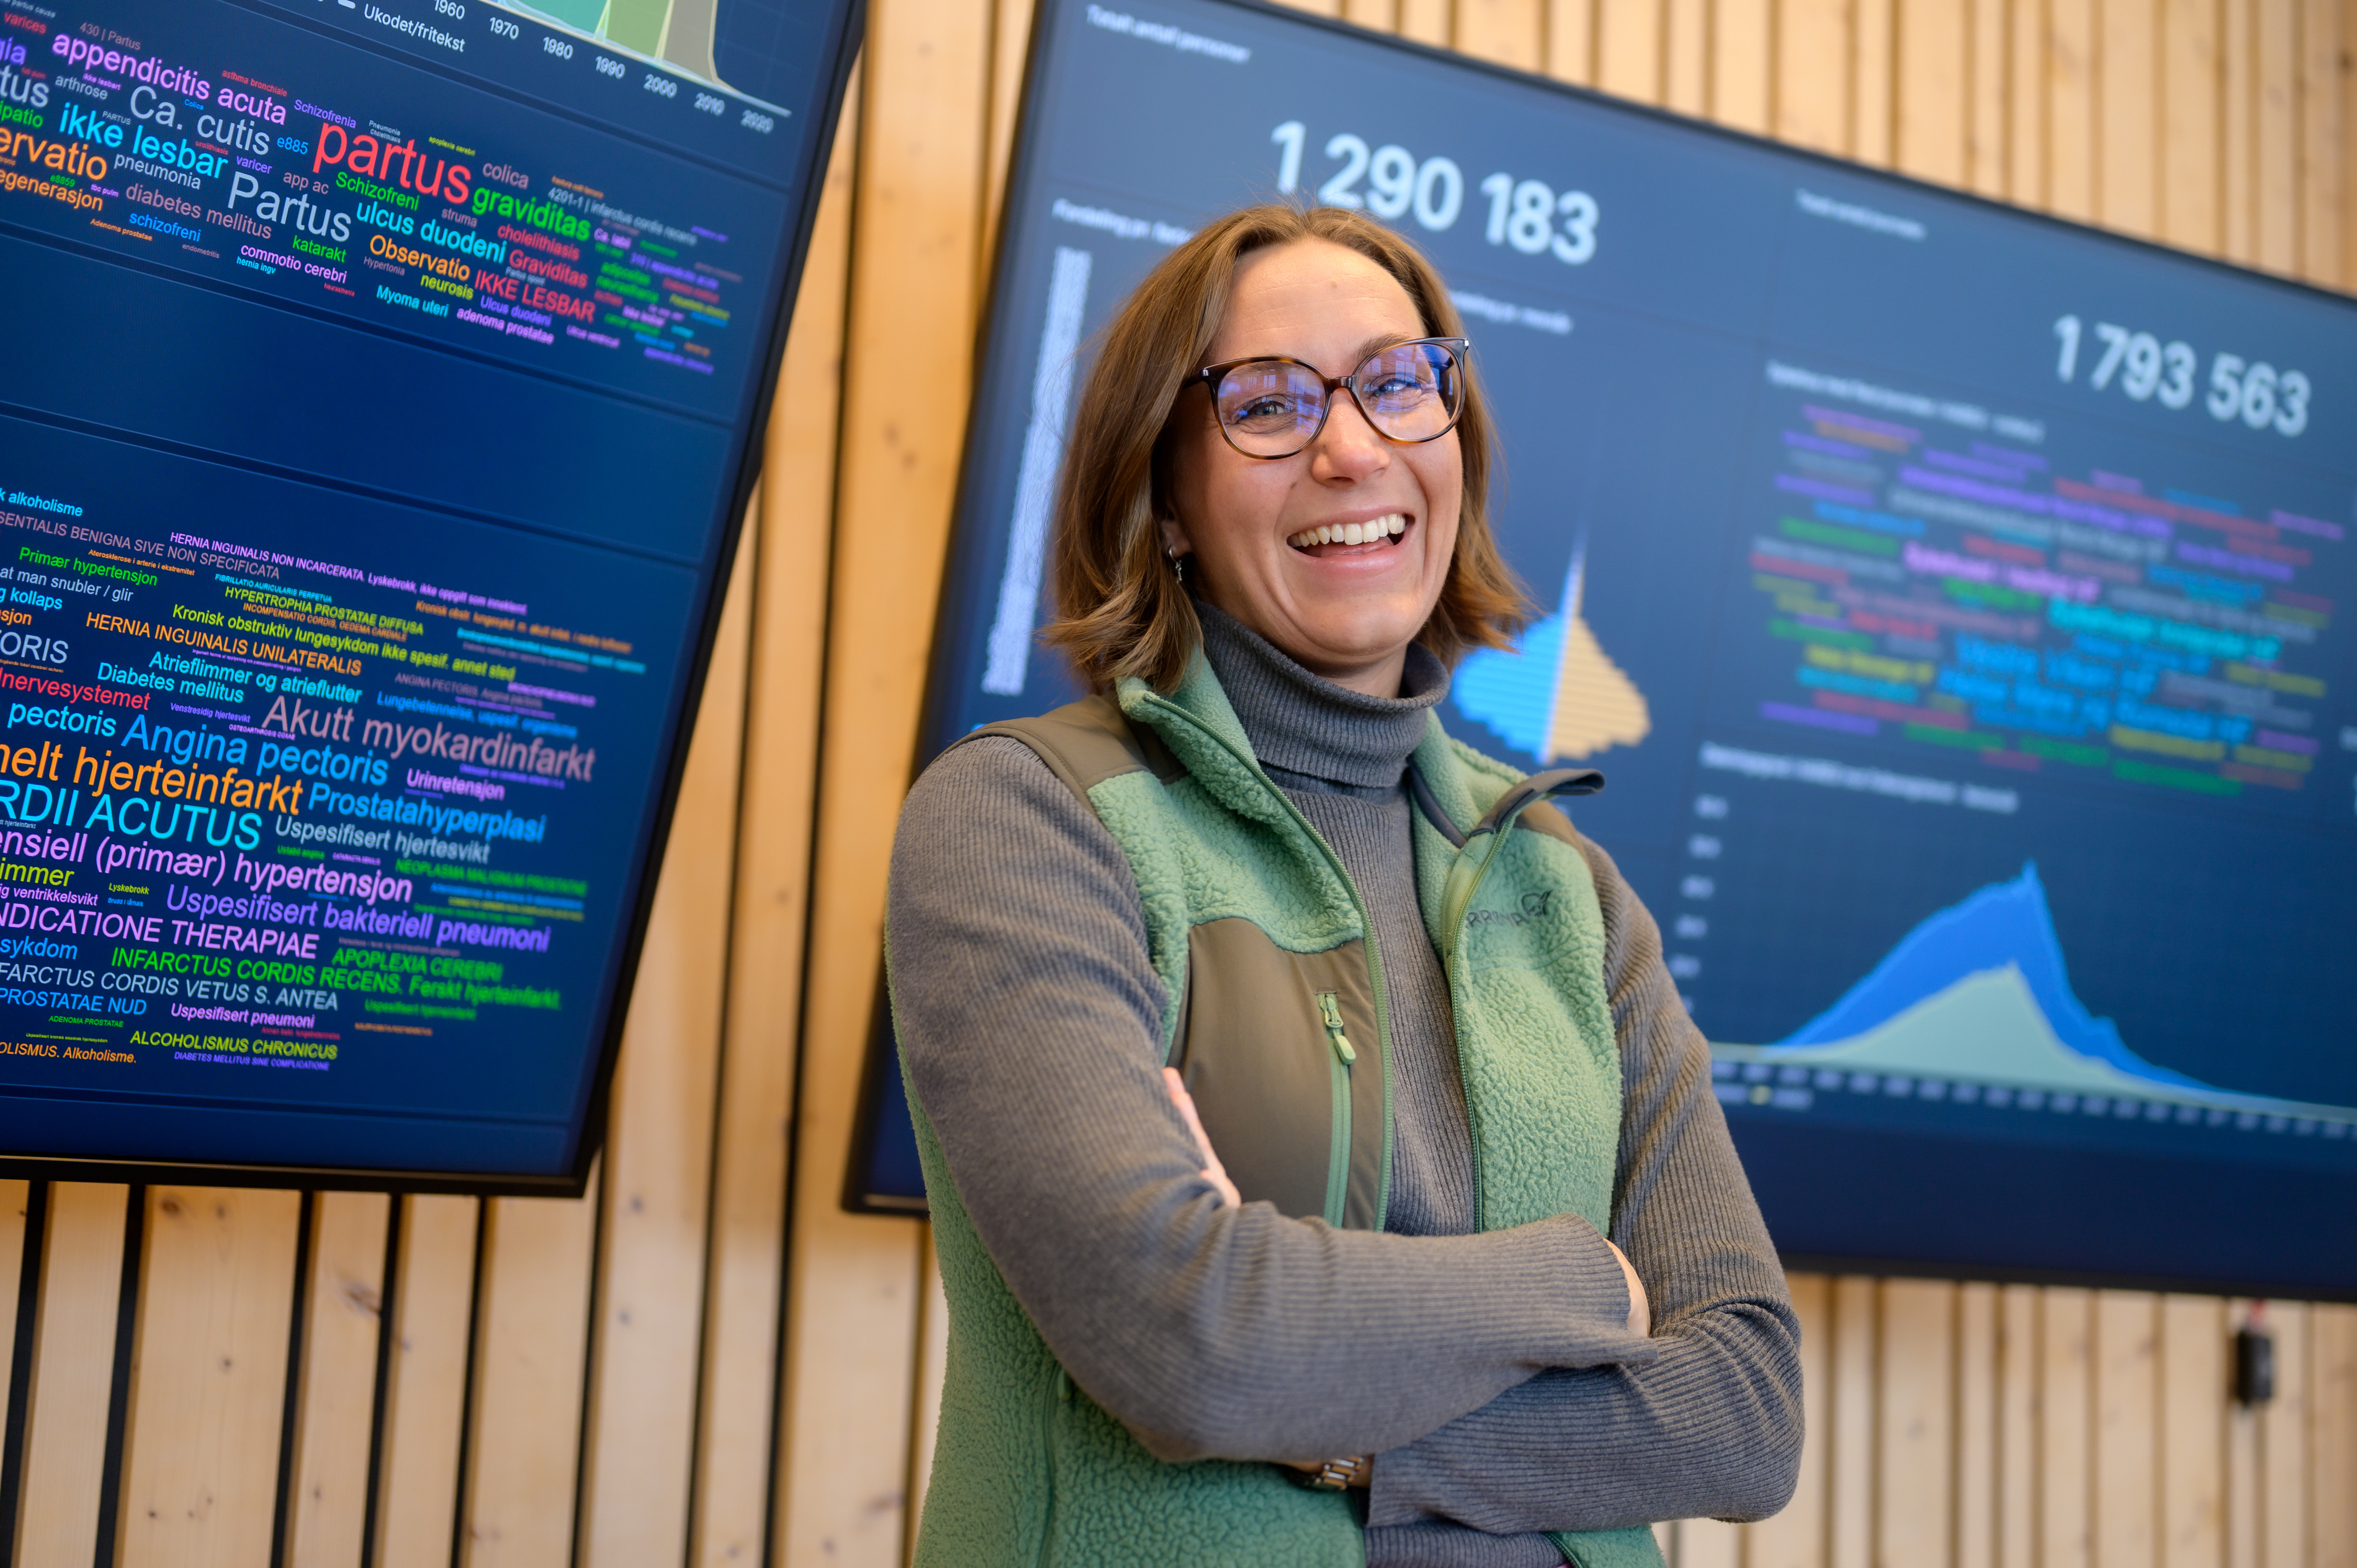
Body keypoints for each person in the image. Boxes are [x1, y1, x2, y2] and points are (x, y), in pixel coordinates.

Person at [886, 203, 1801, 1568]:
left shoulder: (1569, 890)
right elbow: (1189, 1340)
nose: (1353, 447)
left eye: (1397, 383)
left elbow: (1745, 1411)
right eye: (1267, 403)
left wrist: (1362, 1439)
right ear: (1165, 496)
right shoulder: (1028, 819)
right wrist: (1586, 1283)